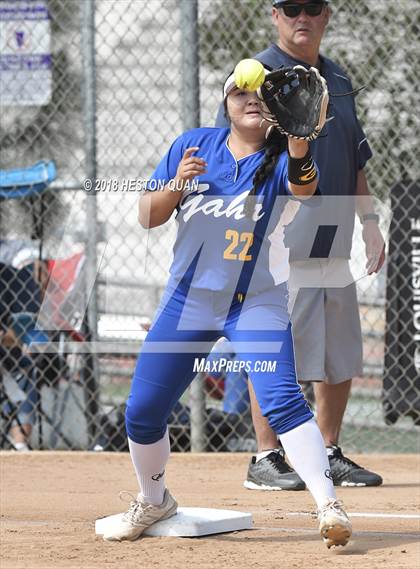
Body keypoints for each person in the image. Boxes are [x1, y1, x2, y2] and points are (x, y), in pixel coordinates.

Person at [102, 66, 352, 549]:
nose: (249, 99)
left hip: (254, 302)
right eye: (238, 92)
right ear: (226, 103)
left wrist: (300, 143)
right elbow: (147, 216)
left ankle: (327, 503)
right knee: (142, 410)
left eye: (259, 92)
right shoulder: (193, 146)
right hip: (188, 300)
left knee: (282, 401)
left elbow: (307, 191)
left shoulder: (283, 156)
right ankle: (153, 499)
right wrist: (177, 182)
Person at [215, 0, 385, 491]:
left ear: (327, 15)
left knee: (337, 341)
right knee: (272, 334)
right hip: (278, 222)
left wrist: (370, 221)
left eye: (312, 8)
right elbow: (233, 149)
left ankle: (326, 449)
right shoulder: (256, 75)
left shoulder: (340, 80)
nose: (301, 17)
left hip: (333, 223)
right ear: (274, 15)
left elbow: (357, 160)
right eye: (291, 9)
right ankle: (267, 456)